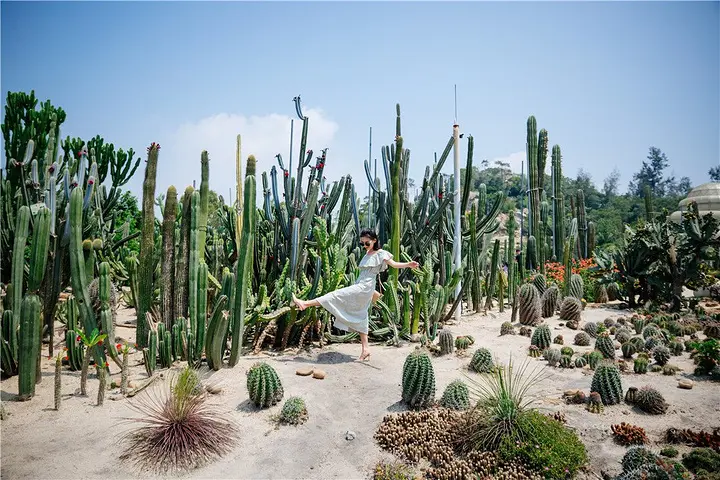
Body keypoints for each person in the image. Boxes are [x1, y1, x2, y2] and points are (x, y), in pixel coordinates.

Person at [292, 229, 419, 361]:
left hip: (364, 287)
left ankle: (305, 304)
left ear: (374, 240)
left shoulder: (381, 253)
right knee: (361, 314)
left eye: (367, 243)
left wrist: (408, 264)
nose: (364, 246)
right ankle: (366, 350)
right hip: (362, 286)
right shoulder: (367, 254)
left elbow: (394, 264)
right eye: (362, 244)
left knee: (335, 295)